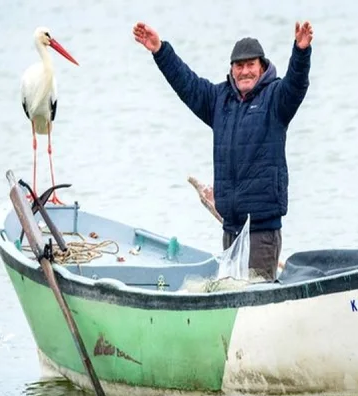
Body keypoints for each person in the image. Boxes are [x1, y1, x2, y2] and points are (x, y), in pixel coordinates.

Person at [133, 20, 314, 281]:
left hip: (262, 232)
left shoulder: (276, 99)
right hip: (230, 229)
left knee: (257, 301)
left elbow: (297, 84)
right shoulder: (220, 101)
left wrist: (301, 51)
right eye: (239, 66)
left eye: (250, 65)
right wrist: (160, 50)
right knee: (233, 297)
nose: (245, 71)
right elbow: (187, 84)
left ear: (262, 67)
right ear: (232, 69)